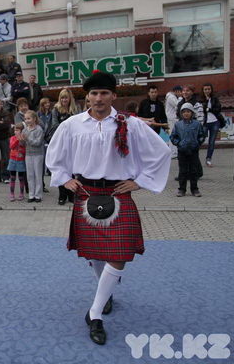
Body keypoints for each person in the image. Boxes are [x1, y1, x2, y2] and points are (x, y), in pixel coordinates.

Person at [46, 70, 171, 345]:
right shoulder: (72, 124)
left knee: (121, 253)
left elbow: (161, 151)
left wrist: (139, 182)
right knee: (95, 253)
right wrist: (64, 179)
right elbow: (54, 155)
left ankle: (95, 313)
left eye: (104, 93)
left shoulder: (131, 124)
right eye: (93, 93)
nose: (98, 98)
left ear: (113, 95)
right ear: (87, 96)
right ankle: (107, 292)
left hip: (117, 193)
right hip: (86, 192)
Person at [51, 89, 80, 205]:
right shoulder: (56, 109)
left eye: (66, 97)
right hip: (61, 142)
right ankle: (62, 195)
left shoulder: (75, 109)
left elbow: (79, 124)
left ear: (70, 98)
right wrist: (67, 127)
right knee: (61, 168)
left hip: (73, 143)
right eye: (62, 97)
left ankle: (71, 194)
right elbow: (54, 125)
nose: (64, 100)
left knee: (71, 170)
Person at [171, 103, 205, 197]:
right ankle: (182, 189)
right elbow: (173, 136)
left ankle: (195, 189)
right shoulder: (178, 125)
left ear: (192, 113)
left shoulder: (197, 124)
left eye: (188, 111)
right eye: (184, 112)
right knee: (183, 171)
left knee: (194, 170)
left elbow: (202, 135)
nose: (186, 113)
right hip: (182, 151)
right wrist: (178, 143)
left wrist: (198, 143)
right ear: (181, 113)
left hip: (194, 150)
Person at [23, 110, 45, 203]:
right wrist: (21, 139)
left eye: (29, 118)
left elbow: (38, 142)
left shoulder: (39, 129)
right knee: (30, 175)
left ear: (34, 119)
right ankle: (31, 195)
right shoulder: (25, 130)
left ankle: (38, 195)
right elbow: (23, 143)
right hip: (28, 154)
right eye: (26, 119)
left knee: (38, 175)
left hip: (38, 154)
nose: (27, 120)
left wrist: (27, 138)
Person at [200, 83, 223, 167]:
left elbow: (218, 109)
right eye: (205, 89)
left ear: (211, 90)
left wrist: (209, 109)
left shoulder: (215, 99)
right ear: (203, 90)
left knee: (212, 142)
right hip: (205, 122)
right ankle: (193, 156)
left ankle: (208, 159)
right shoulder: (201, 99)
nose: (207, 91)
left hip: (215, 122)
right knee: (201, 139)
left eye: (208, 89)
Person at [7, 123, 27, 201]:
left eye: (17, 130)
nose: (16, 132)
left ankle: (21, 193)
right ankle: (12, 194)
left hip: (21, 161)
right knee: (12, 178)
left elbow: (25, 149)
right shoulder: (12, 138)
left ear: (22, 131)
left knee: (21, 178)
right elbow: (11, 146)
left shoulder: (24, 139)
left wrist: (21, 141)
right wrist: (17, 140)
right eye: (15, 130)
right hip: (12, 160)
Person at [37, 98, 53, 193]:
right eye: (45, 103)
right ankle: (41, 185)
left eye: (48, 102)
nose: (47, 104)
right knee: (41, 164)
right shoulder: (38, 114)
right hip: (41, 140)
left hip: (50, 139)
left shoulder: (52, 113)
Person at [164, 85, 182, 159]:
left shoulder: (171, 96)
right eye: (180, 91)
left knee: (174, 135)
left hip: (172, 118)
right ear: (177, 91)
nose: (181, 93)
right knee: (173, 135)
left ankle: (174, 152)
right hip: (172, 119)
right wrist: (181, 98)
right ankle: (173, 153)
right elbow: (178, 105)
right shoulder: (171, 97)